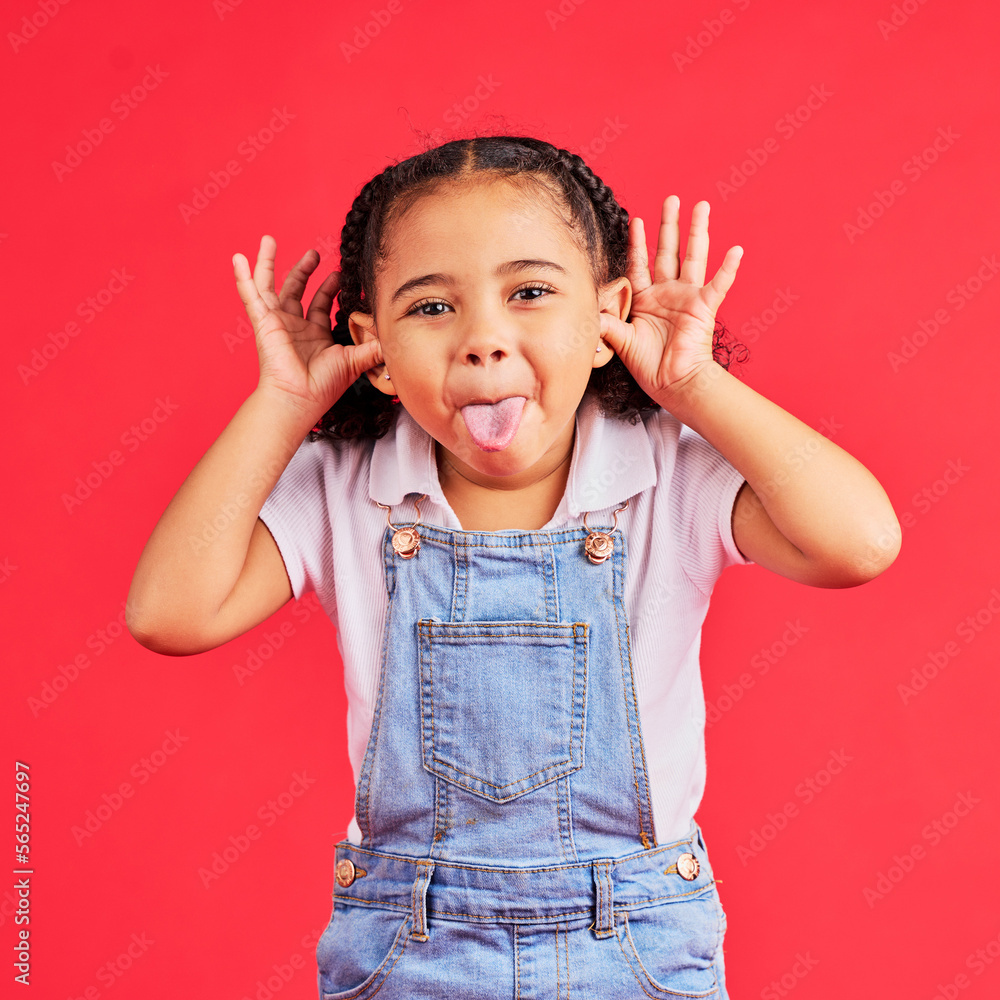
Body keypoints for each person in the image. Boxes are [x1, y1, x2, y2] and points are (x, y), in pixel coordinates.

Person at [126, 135, 901, 999]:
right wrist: (282, 403)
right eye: (432, 307)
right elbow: (169, 613)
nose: (484, 341)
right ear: (373, 349)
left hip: (635, 946)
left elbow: (858, 543)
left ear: (607, 318)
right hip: (409, 950)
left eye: (529, 293)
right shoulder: (346, 485)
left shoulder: (671, 470)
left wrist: (693, 387)